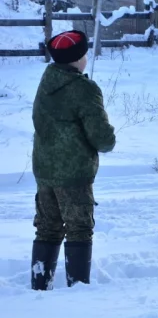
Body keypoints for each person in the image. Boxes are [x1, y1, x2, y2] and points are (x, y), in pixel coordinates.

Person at [30, 30, 116, 290]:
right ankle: (77, 290)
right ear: (78, 59)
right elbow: (101, 137)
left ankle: (39, 284)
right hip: (74, 172)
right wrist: (109, 139)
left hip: (44, 168)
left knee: (47, 227)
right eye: (84, 54)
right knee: (79, 228)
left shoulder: (47, 81)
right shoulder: (83, 89)